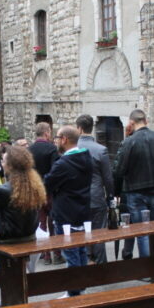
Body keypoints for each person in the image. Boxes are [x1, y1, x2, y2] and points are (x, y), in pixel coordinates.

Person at [0, 146, 47, 308]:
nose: (1, 163)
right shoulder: (34, 183)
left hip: (9, 238)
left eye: (3, 161)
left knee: (4, 270)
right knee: (16, 270)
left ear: (10, 166)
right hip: (29, 237)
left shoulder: (4, 189)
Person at [114, 109, 154, 259]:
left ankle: (148, 266)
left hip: (135, 191)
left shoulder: (129, 142)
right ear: (146, 121)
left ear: (131, 123)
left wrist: (116, 191)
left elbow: (119, 170)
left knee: (143, 231)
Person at [45, 125, 92, 297]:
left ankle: (74, 291)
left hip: (65, 213)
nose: (55, 141)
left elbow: (47, 183)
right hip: (83, 210)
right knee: (80, 251)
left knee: (70, 251)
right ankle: (80, 286)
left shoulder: (63, 163)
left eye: (57, 137)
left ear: (64, 139)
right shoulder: (87, 157)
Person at [76, 114, 114, 264]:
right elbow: (108, 178)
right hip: (97, 197)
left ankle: (84, 266)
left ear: (79, 128)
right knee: (99, 234)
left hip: (78, 198)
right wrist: (111, 196)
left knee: (81, 234)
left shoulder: (73, 149)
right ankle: (101, 268)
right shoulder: (101, 150)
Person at [29, 122, 63, 264]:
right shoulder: (52, 149)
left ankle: (46, 254)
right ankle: (57, 253)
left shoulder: (29, 149)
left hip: (36, 192)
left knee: (41, 224)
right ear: (47, 133)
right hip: (50, 191)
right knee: (53, 222)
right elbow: (55, 171)